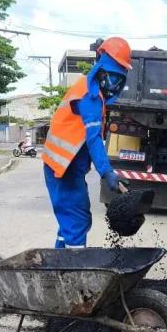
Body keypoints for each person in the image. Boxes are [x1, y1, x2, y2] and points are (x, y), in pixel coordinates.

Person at [41, 37, 131, 248]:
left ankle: (58, 260)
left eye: (119, 79)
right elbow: (93, 139)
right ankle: (74, 265)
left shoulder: (91, 90)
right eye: (112, 77)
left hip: (67, 168)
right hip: (63, 170)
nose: (114, 84)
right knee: (77, 221)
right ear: (101, 70)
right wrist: (106, 172)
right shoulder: (89, 96)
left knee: (70, 221)